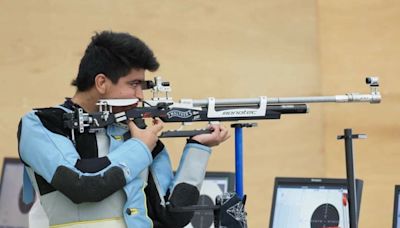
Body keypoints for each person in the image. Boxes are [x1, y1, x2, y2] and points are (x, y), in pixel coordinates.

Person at [18, 31, 230, 228]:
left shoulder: (136, 130)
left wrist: (198, 148)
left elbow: (173, 216)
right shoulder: (41, 123)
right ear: (101, 82)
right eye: (133, 84)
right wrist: (140, 147)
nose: (140, 96)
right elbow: (81, 185)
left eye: (143, 86)